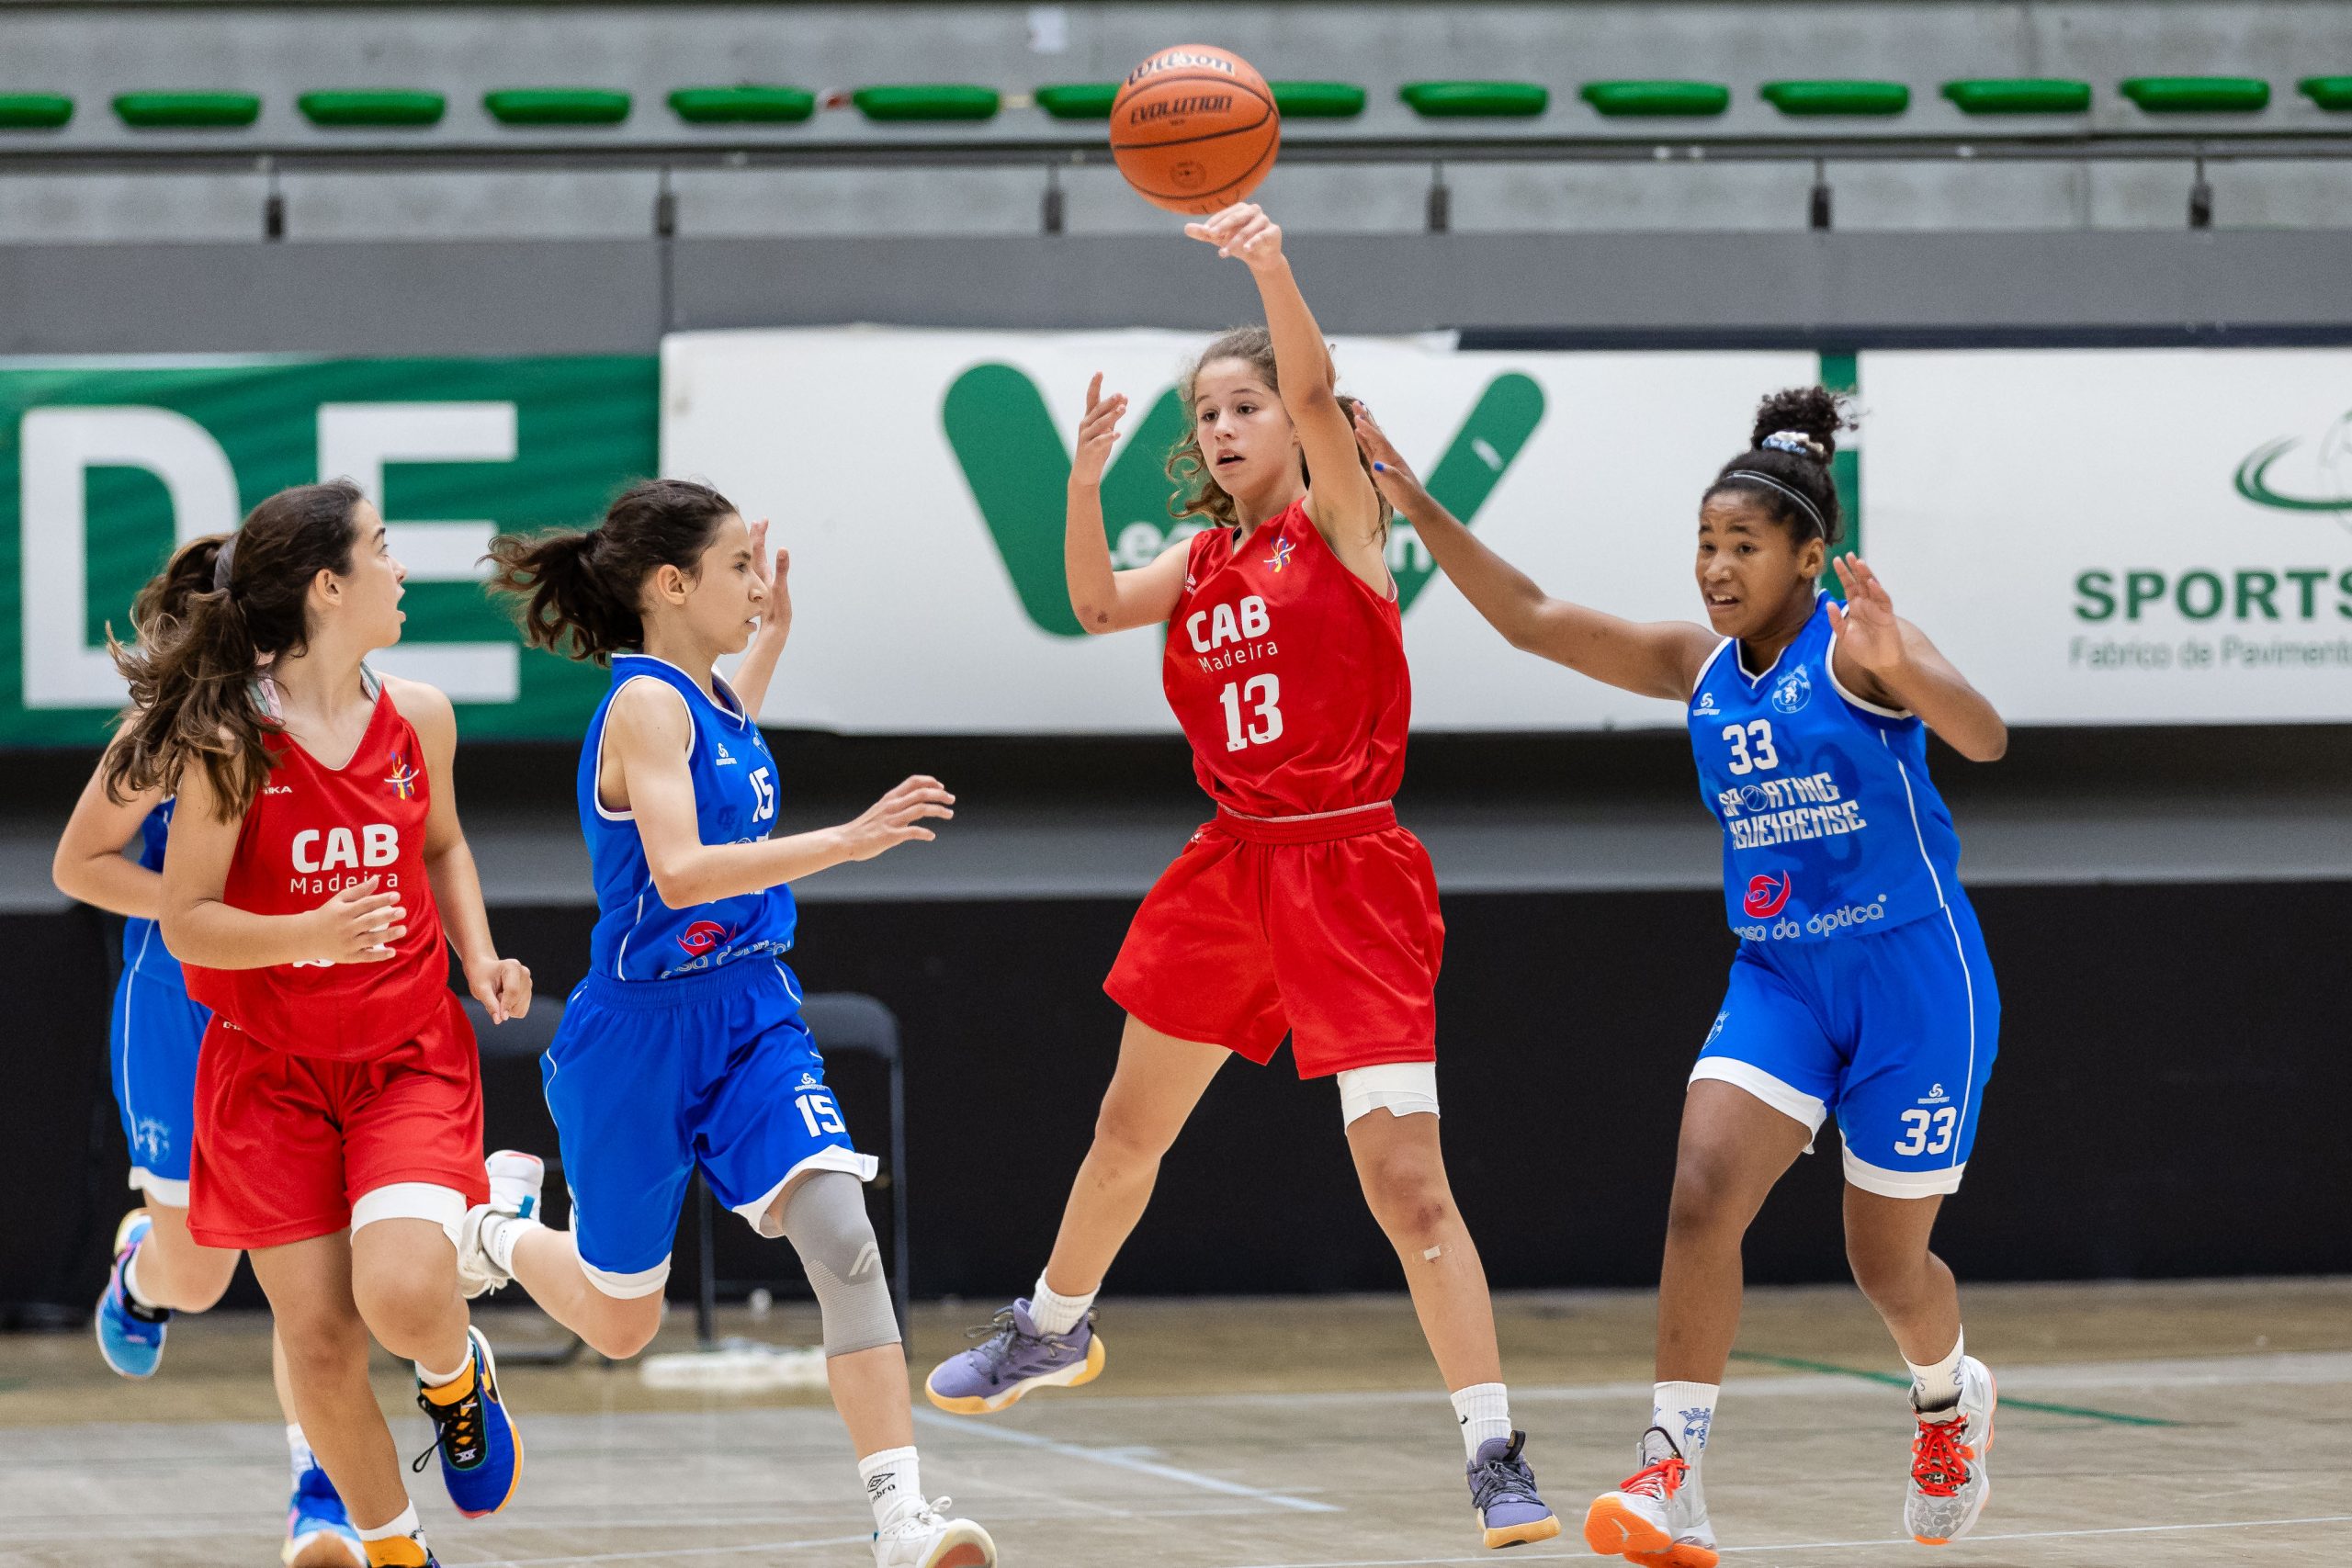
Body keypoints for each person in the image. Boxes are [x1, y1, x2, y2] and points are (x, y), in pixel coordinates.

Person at [922, 202, 1558, 1552]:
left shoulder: (1341, 524)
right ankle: (1049, 1324)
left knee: (1408, 1186)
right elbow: (1094, 606)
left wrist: (1268, 261)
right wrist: (1083, 484)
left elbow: (1320, 383)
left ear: (1290, 420)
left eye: (1244, 402)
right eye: (1205, 409)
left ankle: (1495, 1449)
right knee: (1125, 1127)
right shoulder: (1202, 561)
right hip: (1232, 868)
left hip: (1352, 865)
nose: (1221, 425)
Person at [1351, 389, 2006, 1563]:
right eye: (1705, 544)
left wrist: (1904, 659)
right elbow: (1534, 618)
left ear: (1809, 558)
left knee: (1884, 1263)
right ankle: (1670, 1472)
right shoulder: (1695, 667)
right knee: (1702, 1188)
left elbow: (1985, 737)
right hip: (1783, 980)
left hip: (1916, 982)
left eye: (1742, 546)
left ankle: (1947, 1398)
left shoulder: (1856, 647)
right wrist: (1412, 499)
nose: (1714, 566)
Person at [469, 479, 992, 1568]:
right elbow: (684, 869)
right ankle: (494, 1228)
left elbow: (722, 747)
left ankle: (902, 1518)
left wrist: (771, 644)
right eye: (739, 569)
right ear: (672, 585)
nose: (757, 587)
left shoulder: (703, 697)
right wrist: (844, 843)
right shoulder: (643, 705)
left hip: (751, 1011)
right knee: (622, 1322)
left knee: (844, 1242)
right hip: (638, 1036)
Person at [107, 480, 535, 1568]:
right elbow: (189, 922)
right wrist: (303, 933)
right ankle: (397, 1549)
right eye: (382, 550)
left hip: (402, 1057)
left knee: (399, 1292)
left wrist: (476, 952)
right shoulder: (223, 740)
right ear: (328, 587)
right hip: (267, 1074)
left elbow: (442, 846)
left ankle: (453, 1373)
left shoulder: (419, 717)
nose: (401, 571)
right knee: (321, 1344)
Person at [55, 534, 364, 1567]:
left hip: (297, 1011)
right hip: (183, 1013)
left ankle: (318, 1490)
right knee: (202, 1273)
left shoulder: (350, 712)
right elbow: (79, 862)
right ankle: (145, 1270)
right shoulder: (174, 723)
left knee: (308, 1262)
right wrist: (205, 912)